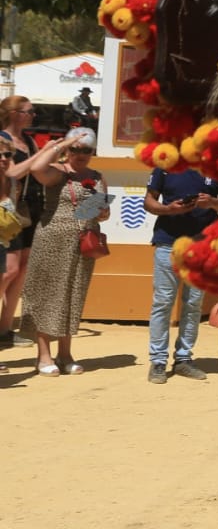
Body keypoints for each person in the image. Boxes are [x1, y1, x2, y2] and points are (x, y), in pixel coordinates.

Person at [15, 127, 105, 375]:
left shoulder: (97, 177)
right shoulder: (58, 173)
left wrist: (101, 212)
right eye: (76, 149)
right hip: (52, 241)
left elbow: (97, 211)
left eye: (86, 149)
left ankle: (65, 354)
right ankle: (43, 355)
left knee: (72, 298)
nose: (80, 153)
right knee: (48, 296)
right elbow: (35, 169)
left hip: (82, 244)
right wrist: (62, 144)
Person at [144, 166, 218, 383]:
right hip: (167, 244)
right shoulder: (165, 165)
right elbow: (149, 202)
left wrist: (212, 203)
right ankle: (158, 361)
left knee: (193, 304)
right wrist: (169, 209)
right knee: (162, 303)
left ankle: (183, 359)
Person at [0, 95, 47, 350]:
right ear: (15, 113)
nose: (33, 115)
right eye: (29, 111)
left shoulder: (28, 140)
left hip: (30, 206)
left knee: (23, 268)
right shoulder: (3, 140)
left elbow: (38, 170)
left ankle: (5, 329)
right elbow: (11, 172)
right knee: (8, 270)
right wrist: (48, 151)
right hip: (8, 208)